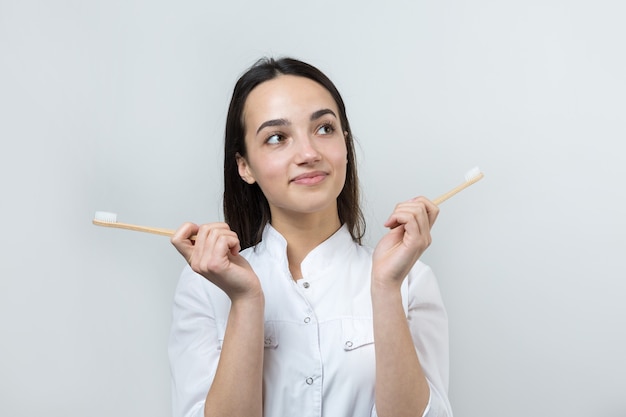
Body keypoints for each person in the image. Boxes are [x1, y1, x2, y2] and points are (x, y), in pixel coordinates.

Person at [169, 57, 453, 417]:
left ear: (346, 145)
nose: (309, 154)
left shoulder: (411, 280)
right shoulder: (205, 287)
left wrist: (385, 288)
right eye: (277, 138)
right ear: (245, 166)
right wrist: (245, 300)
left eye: (324, 129)